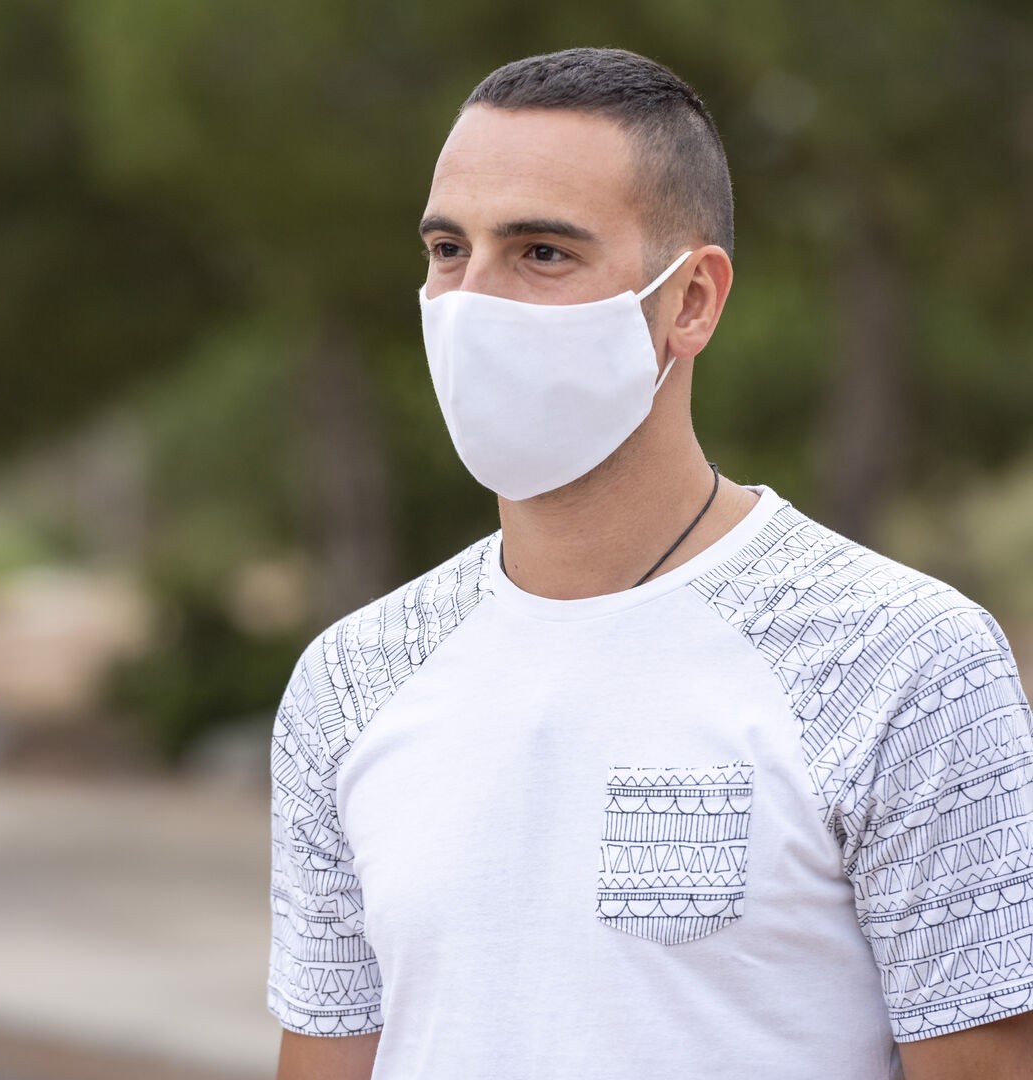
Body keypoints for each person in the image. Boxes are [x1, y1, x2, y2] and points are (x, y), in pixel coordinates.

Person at [268, 47, 1033, 1080]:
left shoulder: (905, 663)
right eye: (449, 249)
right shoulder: (350, 679)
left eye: (542, 252)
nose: (471, 300)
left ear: (692, 301)